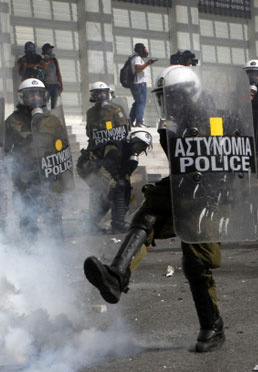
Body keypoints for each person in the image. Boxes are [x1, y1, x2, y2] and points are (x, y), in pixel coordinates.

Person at [83, 66, 227, 353]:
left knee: (196, 263)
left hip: (209, 198)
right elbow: (178, 163)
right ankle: (116, 275)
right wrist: (147, 138)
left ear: (190, 92)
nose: (169, 103)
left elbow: (224, 155)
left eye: (173, 96)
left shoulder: (214, 119)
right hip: (182, 191)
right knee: (148, 213)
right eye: (165, 97)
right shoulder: (172, 124)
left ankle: (214, 326)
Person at [4, 78, 73, 238]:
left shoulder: (53, 121)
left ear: (44, 97)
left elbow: (63, 149)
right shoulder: (13, 121)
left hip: (49, 177)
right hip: (25, 179)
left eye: (38, 94)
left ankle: (57, 251)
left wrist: (63, 179)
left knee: (54, 218)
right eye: (30, 95)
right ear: (23, 97)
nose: (35, 98)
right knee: (28, 218)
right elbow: (4, 150)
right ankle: (31, 253)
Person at [76, 82, 133, 233]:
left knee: (119, 185)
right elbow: (90, 133)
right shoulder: (90, 113)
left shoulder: (116, 109)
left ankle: (118, 221)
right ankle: (92, 223)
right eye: (97, 93)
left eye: (103, 93)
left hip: (115, 154)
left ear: (108, 93)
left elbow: (123, 130)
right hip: (96, 153)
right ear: (93, 96)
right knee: (98, 187)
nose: (101, 96)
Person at [128, 43, 156, 128]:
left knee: (137, 103)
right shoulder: (137, 58)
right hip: (139, 84)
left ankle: (130, 121)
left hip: (138, 84)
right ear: (140, 49)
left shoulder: (136, 57)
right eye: (144, 49)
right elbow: (138, 69)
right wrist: (148, 63)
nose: (145, 50)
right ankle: (139, 122)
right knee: (141, 103)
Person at [39, 43, 63, 109]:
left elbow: (58, 72)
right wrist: (47, 60)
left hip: (55, 85)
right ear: (44, 52)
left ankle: (53, 117)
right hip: (47, 86)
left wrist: (61, 85)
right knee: (44, 103)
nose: (50, 51)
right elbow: (42, 72)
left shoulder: (54, 60)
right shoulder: (42, 61)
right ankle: (45, 117)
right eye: (48, 50)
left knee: (54, 105)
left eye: (50, 50)